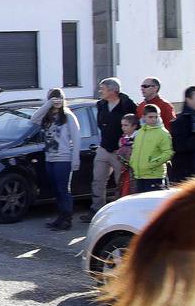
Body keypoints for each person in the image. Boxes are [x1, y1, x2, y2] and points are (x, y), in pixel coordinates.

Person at [81, 77, 137, 221]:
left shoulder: (127, 105)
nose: (100, 91)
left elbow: (135, 125)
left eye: (103, 89)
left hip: (120, 150)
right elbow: (101, 124)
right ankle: (96, 210)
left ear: (113, 90)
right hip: (104, 147)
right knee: (98, 180)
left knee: (121, 181)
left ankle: (121, 211)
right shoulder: (101, 105)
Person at [31, 88, 80, 230]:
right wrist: (48, 105)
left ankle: (67, 219)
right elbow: (33, 119)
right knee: (55, 190)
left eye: (59, 98)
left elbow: (76, 139)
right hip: (50, 158)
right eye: (54, 98)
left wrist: (75, 159)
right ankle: (60, 217)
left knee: (63, 189)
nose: (57, 101)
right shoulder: (46, 117)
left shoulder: (68, 116)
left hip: (63, 159)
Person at [129, 104, 174, 193]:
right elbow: (135, 149)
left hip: (154, 176)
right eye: (150, 117)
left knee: (153, 205)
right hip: (139, 176)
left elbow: (168, 153)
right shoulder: (140, 132)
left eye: (156, 117)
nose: (154, 119)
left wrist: (152, 163)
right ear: (144, 117)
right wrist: (132, 163)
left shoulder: (162, 133)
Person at [117, 114, 138, 196]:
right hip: (126, 171)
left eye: (126, 125)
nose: (123, 127)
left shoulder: (138, 137)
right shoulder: (123, 138)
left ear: (134, 126)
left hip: (135, 171)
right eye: (122, 125)